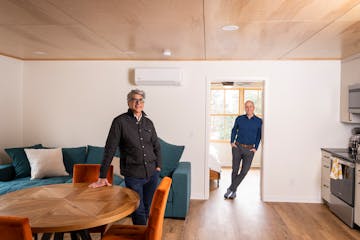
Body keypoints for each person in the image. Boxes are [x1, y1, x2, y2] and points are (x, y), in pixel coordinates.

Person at [89, 89, 161, 225]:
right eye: (135, 99)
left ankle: (145, 234)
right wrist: (102, 176)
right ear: (129, 102)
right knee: (138, 210)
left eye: (141, 100)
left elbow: (156, 145)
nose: (138, 103)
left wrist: (158, 166)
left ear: (143, 103)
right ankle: (141, 235)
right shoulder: (119, 122)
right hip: (133, 175)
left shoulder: (148, 123)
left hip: (152, 173)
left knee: (147, 207)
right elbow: (110, 149)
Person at [224, 100, 262, 199]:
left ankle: (231, 189)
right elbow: (234, 130)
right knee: (235, 170)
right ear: (245, 108)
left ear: (254, 108)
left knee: (245, 171)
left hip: (250, 150)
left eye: (250, 106)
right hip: (237, 147)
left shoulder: (259, 121)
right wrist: (232, 142)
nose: (249, 108)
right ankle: (233, 192)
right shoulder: (239, 119)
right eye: (247, 107)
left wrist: (255, 148)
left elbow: (259, 136)